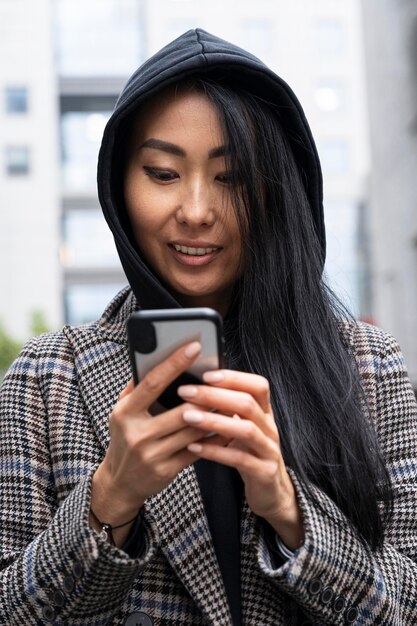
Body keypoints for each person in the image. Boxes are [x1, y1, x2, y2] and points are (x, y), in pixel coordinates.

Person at [0, 28, 416, 626]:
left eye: (233, 177)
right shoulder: (44, 380)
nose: (195, 211)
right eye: (163, 173)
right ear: (120, 186)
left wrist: (290, 509)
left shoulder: (368, 368)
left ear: (276, 190)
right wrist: (108, 500)